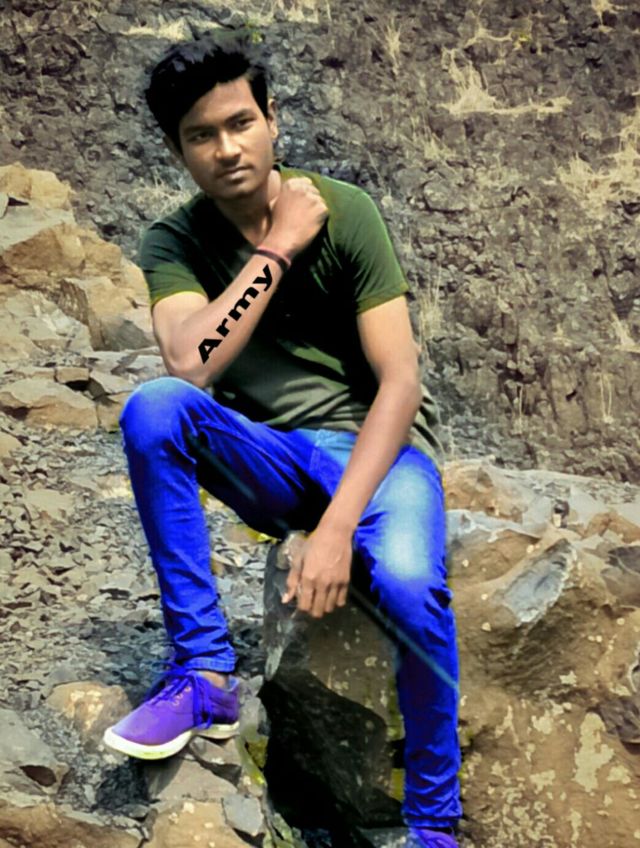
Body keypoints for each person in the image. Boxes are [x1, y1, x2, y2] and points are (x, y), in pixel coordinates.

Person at [102, 29, 462, 847]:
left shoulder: (348, 211)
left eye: (241, 123)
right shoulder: (175, 242)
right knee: (154, 407)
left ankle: (435, 827)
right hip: (266, 457)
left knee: (411, 587)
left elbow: (400, 382)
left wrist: (335, 530)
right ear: (179, 151)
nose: (227, 149)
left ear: (272, 121)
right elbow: (190, 362)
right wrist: (275, 247)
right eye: (202, 135)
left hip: (374, 455)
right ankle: (202, 673)